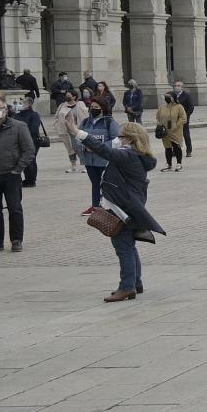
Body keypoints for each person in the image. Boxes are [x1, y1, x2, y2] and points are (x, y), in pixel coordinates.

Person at [72, 121, 161, 302]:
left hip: (122, 209)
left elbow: (104, 151)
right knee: (129, 245)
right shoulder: (136, 155)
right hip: (129, 207)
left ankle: (127, 287)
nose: (116, 140)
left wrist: (78, 133)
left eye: (120, 137)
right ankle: (135, 282)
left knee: (123, 247)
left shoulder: (128, 155)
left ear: (129, 139)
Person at [0, 97, 34, 252]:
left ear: (5, 109)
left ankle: (16, 240)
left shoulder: (18, 126)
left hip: (11, 175)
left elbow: (28, 150)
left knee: (14, 208)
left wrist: (17, 170)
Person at [76, 98, 119, 212]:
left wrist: (99, 147)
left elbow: (116, 140)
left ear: (103, 108)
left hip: (104, 159)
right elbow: (78, 137)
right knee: (95, 183)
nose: (93, 109)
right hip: (89, 159)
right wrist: (85, 147)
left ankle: (108, 207)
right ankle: (95, 206)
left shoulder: (109, 122)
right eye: (92, 107)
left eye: (96, 107)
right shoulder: (86, 122)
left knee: (105, 183)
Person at [7, 95, 44, 188]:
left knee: (30, 161)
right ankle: (20, 179)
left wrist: (23, 134)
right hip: (17, 141)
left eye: (21, 103)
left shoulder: (34, 115)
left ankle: (31, 180)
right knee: (18, 159)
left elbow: (34, 129)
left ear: (29, 105)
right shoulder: (17, 115)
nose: (19, 105)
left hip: (31, 141)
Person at [156, 93, 188, 171]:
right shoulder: (162, 107)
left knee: (176, 147)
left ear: (173, 98)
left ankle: (179, 163)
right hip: (165, 131)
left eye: (169, 97)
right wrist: (159, 126)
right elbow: (157, 117)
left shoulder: (179, 107)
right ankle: (169, 164)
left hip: (176, 131)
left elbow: (183, 118)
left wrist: (176, 125)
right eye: (166, 97)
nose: (167, 98)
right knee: (167, 148)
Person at [169, 80, 195, 157]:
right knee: (174, 135)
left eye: (179, 86)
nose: (177, 87)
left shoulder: (186, 96)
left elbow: (191, 107)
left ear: (182, 87)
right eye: (175, 85)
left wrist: (186, 116)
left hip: (183, 119)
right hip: (173, 119)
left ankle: (189, 150)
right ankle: (175, 151)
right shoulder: (172, 95)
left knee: (186, 134)